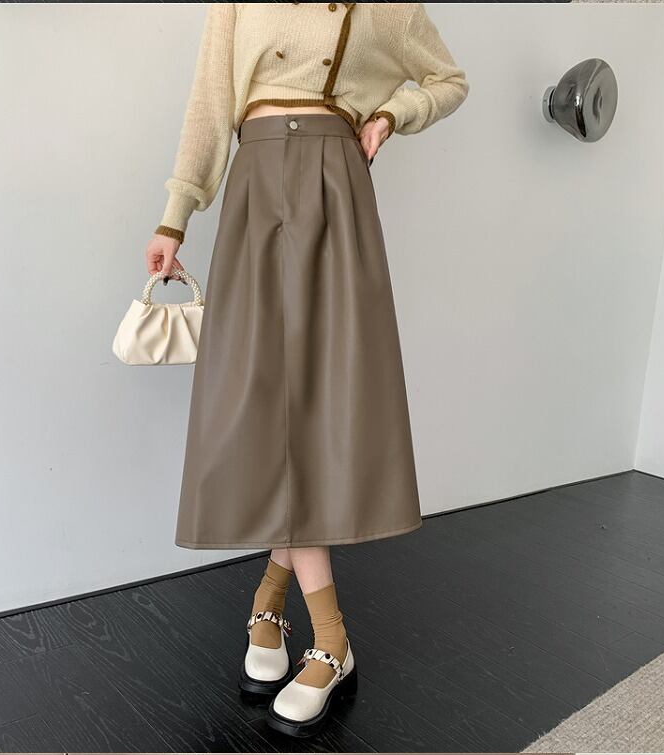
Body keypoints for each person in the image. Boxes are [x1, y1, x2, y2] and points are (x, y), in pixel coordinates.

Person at [144, 2, 469, 738]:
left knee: (314, 405)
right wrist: (175, 214)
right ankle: (287, 608)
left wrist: (391, 114)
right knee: (265, 404)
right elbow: (211, 99)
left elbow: (448, 80)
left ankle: (320, 632)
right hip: (255, 184)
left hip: (333, 186)